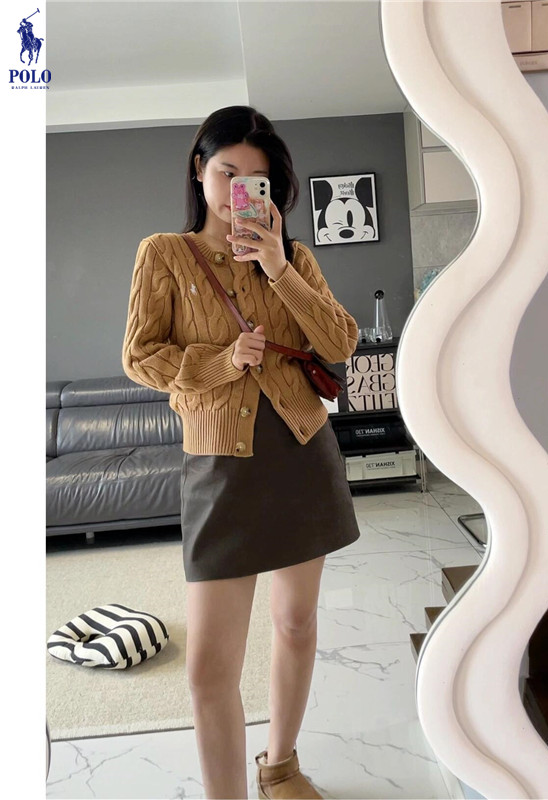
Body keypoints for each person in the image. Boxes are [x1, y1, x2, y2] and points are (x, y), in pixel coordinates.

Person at [122, 105, 361, 799]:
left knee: (295, 622)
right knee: (207, 669)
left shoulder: (295, 258)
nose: (238, 192)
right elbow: (140, 356)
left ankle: (280, 766)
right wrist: (222, 362)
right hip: (219, 467)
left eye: (255, 180)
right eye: (227, 173)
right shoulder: (163, 254)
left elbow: (340, 343)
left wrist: (280, 267)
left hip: (301, 453)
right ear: (200, 170)